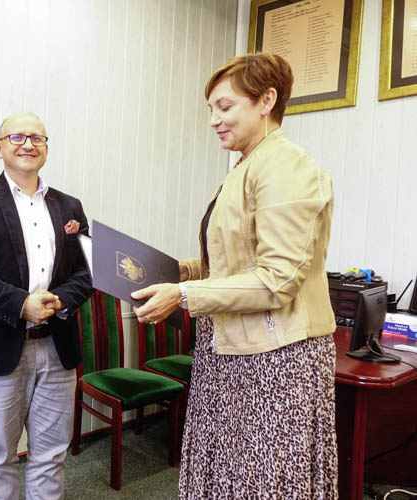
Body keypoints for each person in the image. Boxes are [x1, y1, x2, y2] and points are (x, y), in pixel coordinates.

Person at [131, 53, 337, 498]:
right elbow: (237, 254)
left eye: (225, 107)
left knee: (260, 477)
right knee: (231, 470)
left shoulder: (286, 166)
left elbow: (278, 278)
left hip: (275, 357)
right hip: (233, 347)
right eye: (211, 109)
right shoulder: (248, 164)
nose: (214, 121)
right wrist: (182, 270)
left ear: (266, 100)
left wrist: (184, 293)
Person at [0, 112, 93, 500]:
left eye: (37, 138)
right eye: (17, 137)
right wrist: (20, 303)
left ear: (46, 147)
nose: (28, 144)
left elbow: (85, 271)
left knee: (51, 456)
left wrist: (61, 300)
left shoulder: (70, 206)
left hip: (57, 346)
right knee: (1, 456)